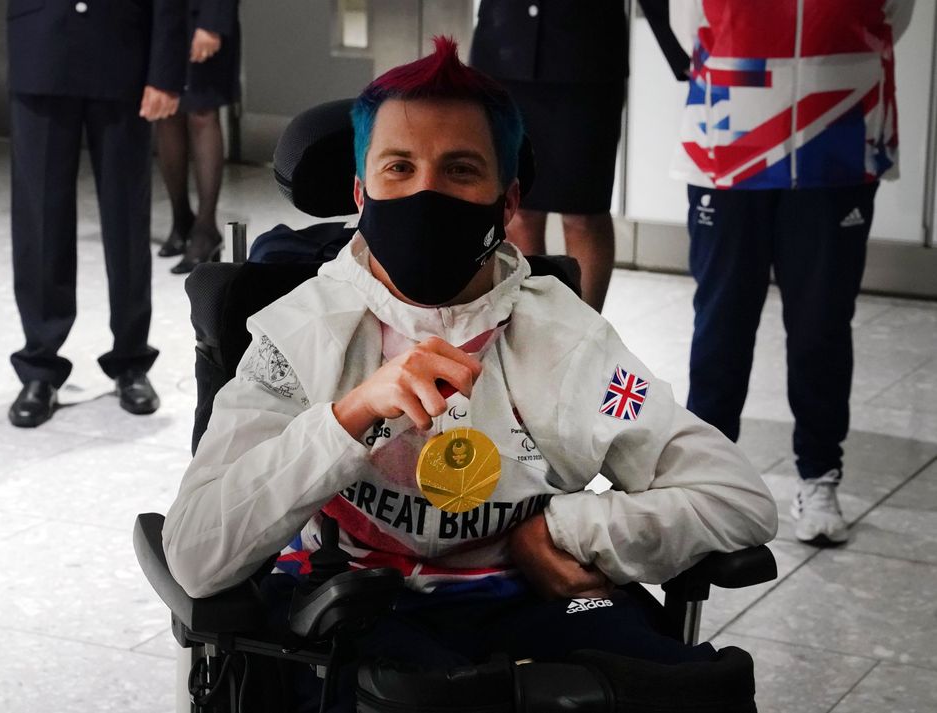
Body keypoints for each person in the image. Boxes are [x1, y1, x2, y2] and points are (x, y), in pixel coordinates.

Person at [162, 38, 778, 711]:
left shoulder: (564, 338)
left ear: (506, 199)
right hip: (351, 598)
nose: (427, 192)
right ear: (361, 190)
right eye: (400, 167)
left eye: (459, 169)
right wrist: (347, 418)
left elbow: (736, 496)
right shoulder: (303, 329)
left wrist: (565, 531)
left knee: (684, 688)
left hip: (533, 593)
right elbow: (195, 551)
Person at [669, 0, 915, 546]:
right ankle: (707, 484)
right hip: (731, 144)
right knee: (722, 323)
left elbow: (891, 15)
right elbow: (692, 23)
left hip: (838, 141)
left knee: (821, 325)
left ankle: (818, 476)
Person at [0, 0, 187, 427]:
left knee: (127, 221)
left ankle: (131, 360)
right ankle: (40, 366)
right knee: (38, 222)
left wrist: (166, 72)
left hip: (123, 53)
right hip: (41, 49)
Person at [469, 0, 627, 312]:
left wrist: (683, 50)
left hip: (586, 57)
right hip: (504, 49)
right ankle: (532, 322)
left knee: (583, 212)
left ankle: (586, 331)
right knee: (520, 207)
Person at [156, 0, 241, 274]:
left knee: (201, 112)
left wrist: (213, 21)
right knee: (167, 111)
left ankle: (206, 229)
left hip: (203, 13)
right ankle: (181, 219)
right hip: (161, 18)